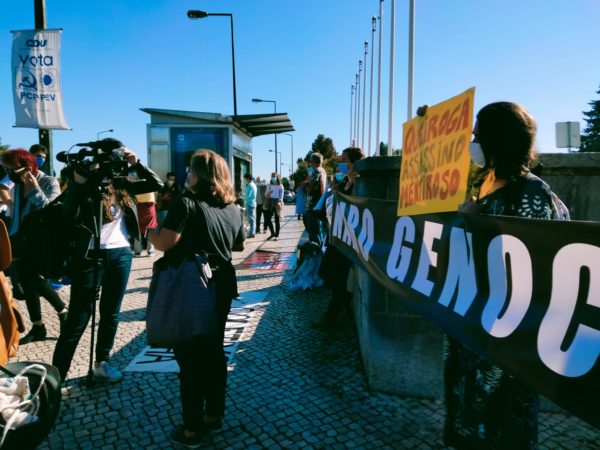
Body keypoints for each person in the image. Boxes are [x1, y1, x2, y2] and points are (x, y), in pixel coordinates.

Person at [443, 102, 569, 449]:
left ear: (498, 139)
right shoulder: (482, 181)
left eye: (479, 134)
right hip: (471, 326)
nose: (473, 139)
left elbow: (534, 264)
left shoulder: (531, 191)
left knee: (502, 421)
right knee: (468, 412)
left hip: (504, 336)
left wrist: (474, 222)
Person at [147, 150, 245, 447]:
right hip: (223, 284)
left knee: (190, 359)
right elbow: (238, 245)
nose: (187, 173)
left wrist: (150, 230)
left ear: (198, 174)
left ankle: (191, 430)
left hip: (194, 286)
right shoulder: (234, 208)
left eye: (190, 169)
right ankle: (213, 415)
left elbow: (166, 242)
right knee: (214, 352)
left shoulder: (186, 204)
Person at [52, 140, 163, 383]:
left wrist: (137, 164)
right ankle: (57, 374)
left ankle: (102, 362)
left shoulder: (123, 183)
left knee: (111, 313)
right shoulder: (86, 184)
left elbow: (157, 184)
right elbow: (67, 214)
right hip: (91, 255)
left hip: (121, 253)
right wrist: (77, 184)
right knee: (79, 317)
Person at [0, 149, 66, 344]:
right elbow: (17, 212)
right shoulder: (19, 183)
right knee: (27, 286)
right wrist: (12, 236)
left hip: (41, 241)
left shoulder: (48, 182)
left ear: (27, 168)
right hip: (21, 239)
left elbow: (52, 210)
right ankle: (38, 327)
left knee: (36, 279)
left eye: (11, 169)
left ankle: (63, 311)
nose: (9, 173)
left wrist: (35, 189)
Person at [312, 147, 365, 328]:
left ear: (354, 164)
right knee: (325, 272)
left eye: (344, 160)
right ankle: (344, 302)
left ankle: (331, 316)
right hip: (336, 236)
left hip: (348, 240)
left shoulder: (360, 186)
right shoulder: (344, 185)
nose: (341, 164)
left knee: (337, 276)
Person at [303, 153, 327, 245]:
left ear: (313, 161)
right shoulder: (323, 171)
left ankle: (315, 253)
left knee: (313, 231)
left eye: (310, 161)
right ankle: (319, 249)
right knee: (318, 230)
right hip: (318, 204)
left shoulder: (316, 171)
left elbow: (310, 188)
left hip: (313, 205)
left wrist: (305, 185)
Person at [134, 191, 158, 256]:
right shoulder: (151, 182)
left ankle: (137, 251)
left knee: (138, 227)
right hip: (150, 203)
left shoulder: (137, 181)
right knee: (151, 227)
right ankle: (150, 251)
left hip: (138, 204)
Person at [265, 173, 283, 240]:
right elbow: (266, 195)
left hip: (277, 203)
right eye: (272, 176)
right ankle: (272, 233)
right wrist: (268, 193)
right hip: (270, 202)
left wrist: (279, 201)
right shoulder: (269, 185)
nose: (273, 177)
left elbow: (281, 196)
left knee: (277, 220)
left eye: (274, 176)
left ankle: (277, 235)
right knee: (267, 219)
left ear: (277, 177)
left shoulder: (280, 185)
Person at [243, 173, 257, 238]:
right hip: (253, 203)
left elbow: (247, 195)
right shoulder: (254, 185)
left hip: (249, 203)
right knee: (252, 218)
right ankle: (252, 232)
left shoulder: (250, 185)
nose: (245, 180)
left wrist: (242, 195)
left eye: (245, 178)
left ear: (248, 178)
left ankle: (252, 233)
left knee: (251, 219)